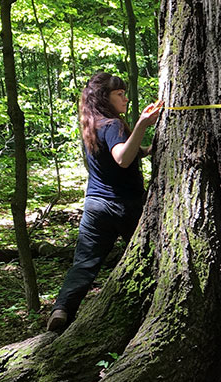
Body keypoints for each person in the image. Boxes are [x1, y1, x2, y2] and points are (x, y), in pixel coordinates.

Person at [47, 72, 163, 331]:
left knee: (84, 264)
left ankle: (62, 309)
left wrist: (147, 149)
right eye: (119, 94)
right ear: (104, 98)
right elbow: (121, 157)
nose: (125, 99)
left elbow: (120, 156)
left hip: (95, 207)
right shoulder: (113, 125)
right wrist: (143, 124)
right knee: (153, 255)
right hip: (124, 206)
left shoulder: (92, 125)